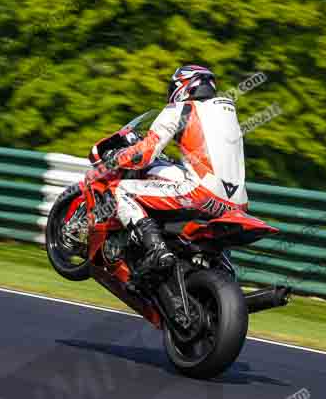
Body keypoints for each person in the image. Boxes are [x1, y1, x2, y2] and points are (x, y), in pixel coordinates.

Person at [99, 65, 248, 274]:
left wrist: (117, 158)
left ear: (184, 86)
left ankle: (156, 250)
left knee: (120, 190)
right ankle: (224, 271)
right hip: (239, 205)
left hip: (201, 194)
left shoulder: (181, 110)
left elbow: (144, 154)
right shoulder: (228, 113)